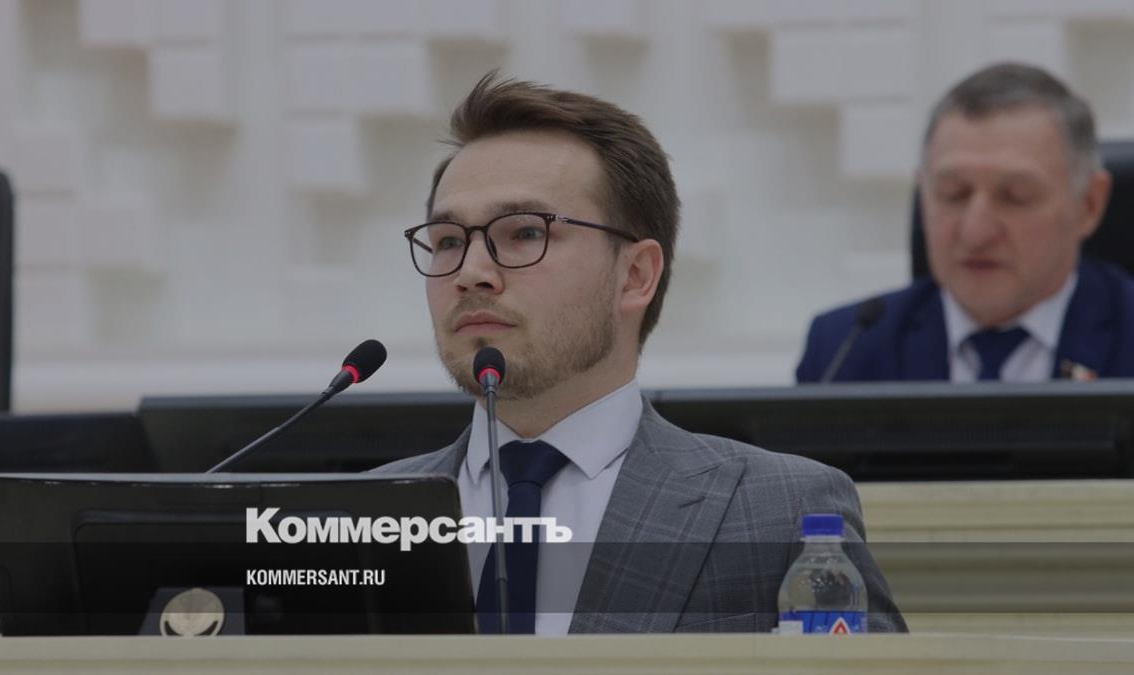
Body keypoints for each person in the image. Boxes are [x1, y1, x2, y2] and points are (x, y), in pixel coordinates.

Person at [373, 72, 905, 634]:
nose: (471, 273)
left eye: (524, 232)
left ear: (635, 275)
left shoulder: (778, 510)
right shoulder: (364, 514)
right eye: (449, 241)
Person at [797, 62, 1134, 383]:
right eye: (953, 194)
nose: (976, 233)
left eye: (1015, 197)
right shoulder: (844, 350)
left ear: (1088, 205)